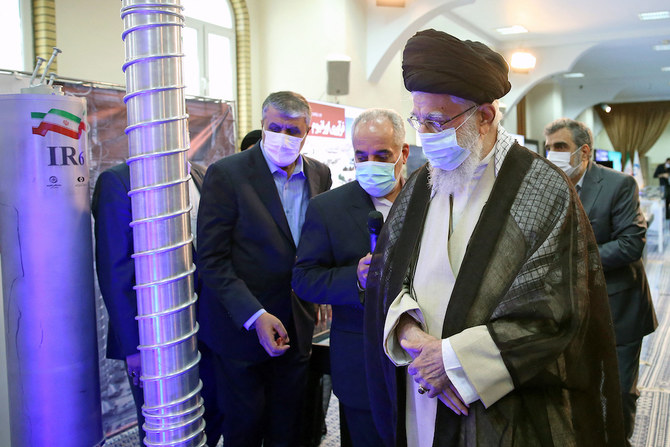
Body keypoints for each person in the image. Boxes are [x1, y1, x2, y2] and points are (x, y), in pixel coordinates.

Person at [363, 29, 626, 447]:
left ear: (484, 117)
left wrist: (452, 361)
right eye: (419, 119)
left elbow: (553, 310)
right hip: (421, 385)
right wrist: (413, 341)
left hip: (499, 402)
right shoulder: (418, 185)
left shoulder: (542, 189)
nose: (425, 134)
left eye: (436, 120)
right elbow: (392, 275)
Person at [196, 91, 332, 447]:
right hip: (239, 330)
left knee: (289, 427)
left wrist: (323, 290)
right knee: (244, 427)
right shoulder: (227, 174)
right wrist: (255, 316)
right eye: (276, 128)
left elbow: (315, 244)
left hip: (297, 325)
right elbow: (212, 259)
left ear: (308, 131)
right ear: (262, 125)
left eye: (293, 130)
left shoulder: (320, 174)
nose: (284, 137)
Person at [293, 108, 409, 447]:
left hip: (423, 361)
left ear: (402, 153)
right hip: (361, 360)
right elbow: (304, 278)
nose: (370, 163)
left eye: (381, 155)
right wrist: (355, 279)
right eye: (361, 155)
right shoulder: (328, 208)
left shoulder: (429, 198)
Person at [544, 118, 657, 444]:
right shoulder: (549, 188)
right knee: (580, 390)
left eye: (561, 147)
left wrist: (574, 259)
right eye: (549, 147)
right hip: (570, 312)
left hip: (618, 308)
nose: (553, 154)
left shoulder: (619, 185)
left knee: (618, 393)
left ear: (584, 151)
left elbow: (630, 244)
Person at [91, 161, 215, 446]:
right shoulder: (120, 180)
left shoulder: (200, 173)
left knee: (212, 414)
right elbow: (114, 269)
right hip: (153, 338)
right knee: (163, 426)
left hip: (207, 327)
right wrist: (135, 347)